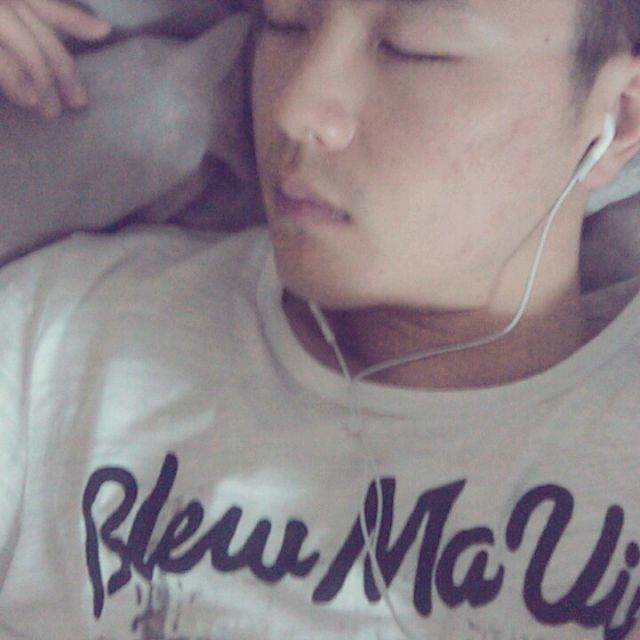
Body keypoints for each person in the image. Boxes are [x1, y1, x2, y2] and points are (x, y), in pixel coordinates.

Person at [1, 1, 640, 639]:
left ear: (620, 116)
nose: (295, 106)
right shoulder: (63, 341)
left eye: (412, 49)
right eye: (284, 22)